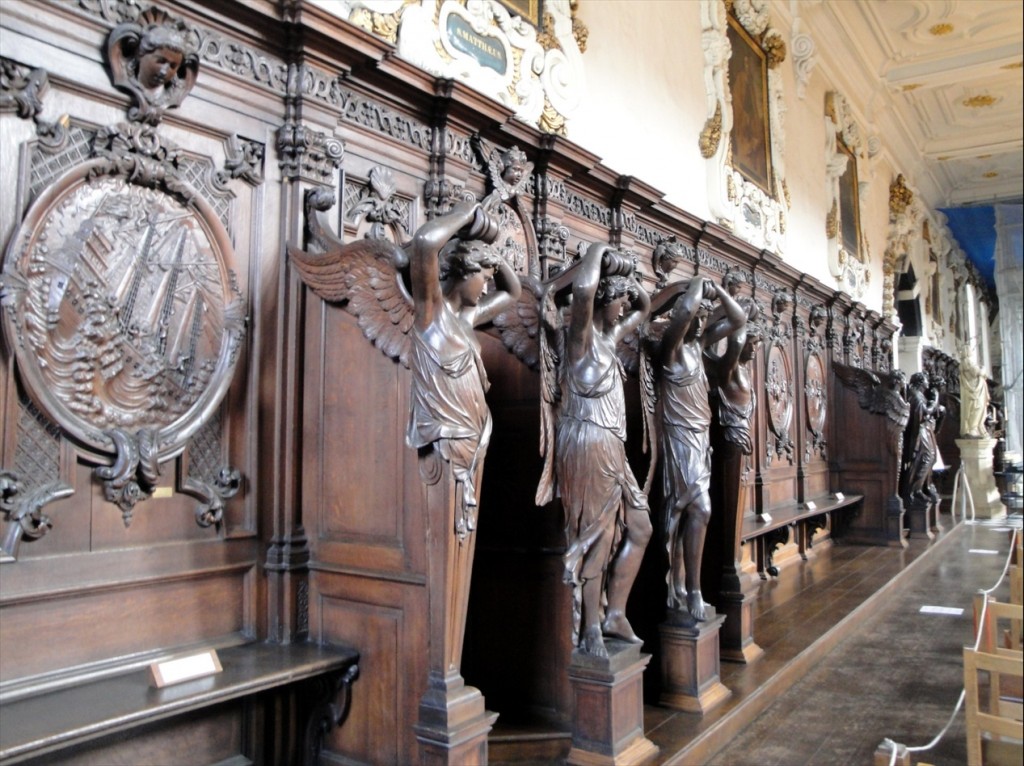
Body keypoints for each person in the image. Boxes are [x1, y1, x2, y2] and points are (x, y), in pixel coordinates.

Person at [553, 242, 652, 657]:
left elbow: (644, 307)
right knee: (597, 536)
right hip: (587, 443)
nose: (624, 307)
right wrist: (598, 250)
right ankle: (591, 626)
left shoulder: (611, 339)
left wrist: (627, 273)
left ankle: (615, 614)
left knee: (641, 527)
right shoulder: (579, 339)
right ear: (602, 301)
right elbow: (582, 290)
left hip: (613, 448)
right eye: (619, 300)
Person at [404, 201, 521, 538]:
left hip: (473, 434)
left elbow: (512, 291)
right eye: (483, 279)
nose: (486, 288)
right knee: (447, 529)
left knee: (463, 529)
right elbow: (425, 242)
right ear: (464, 271)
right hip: (445, 434)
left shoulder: (468, 318)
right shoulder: (430, 311)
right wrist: (466, 215)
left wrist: (491, 249)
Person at [655, 276, 745, 621]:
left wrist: (717, 291)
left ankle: (685, 587)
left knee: (692, 514)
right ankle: (685, 589)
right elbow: (682, 315)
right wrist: (696, 285)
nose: (699, 323)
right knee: (691, 512)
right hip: (678, 440)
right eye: (696, 317)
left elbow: (737, 319)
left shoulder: (700, 345)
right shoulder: (672, 349)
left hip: (699, 439)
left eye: (703, 318)